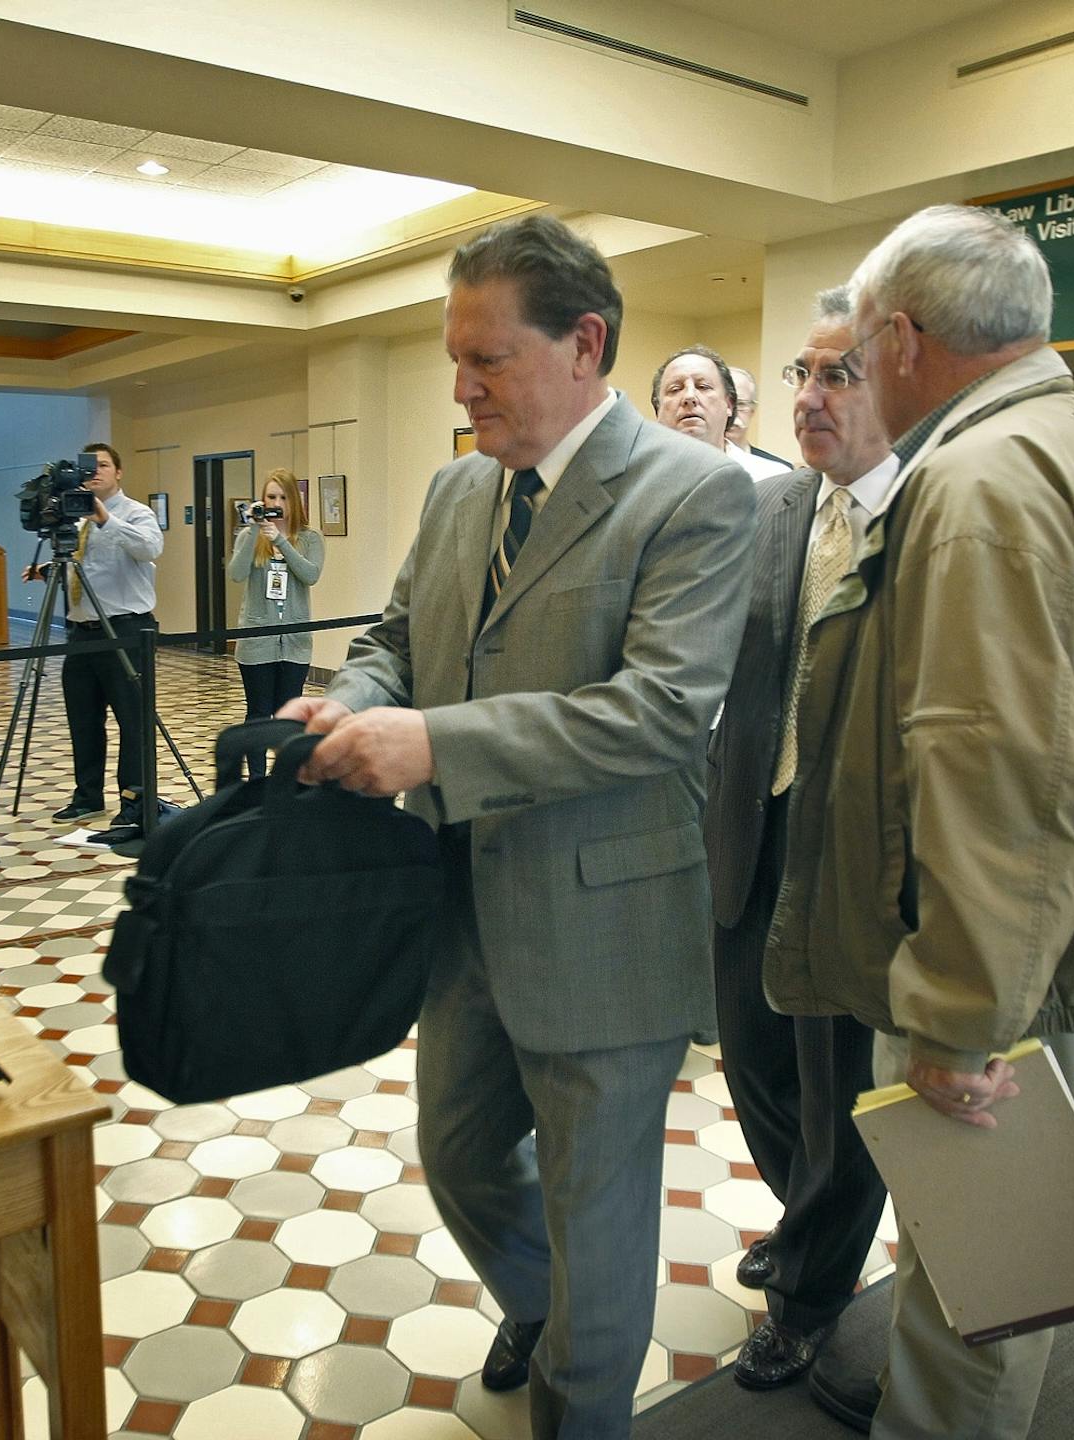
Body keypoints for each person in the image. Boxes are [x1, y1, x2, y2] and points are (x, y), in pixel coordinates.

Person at [284, 213, 756, 1439]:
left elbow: (657, 715)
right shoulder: (457, 491)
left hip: (605, 924)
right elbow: (398, 638)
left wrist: (434, 744)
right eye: (458, 356)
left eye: (487, 357)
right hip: (464, 913)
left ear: (585, 342)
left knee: (602, 1222)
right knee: (461, 1157)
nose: (461, 384)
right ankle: (553, 1318)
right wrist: (357, 700)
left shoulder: (695, 496)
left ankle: (581, 1403)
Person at [760, 205, 1074, 1438]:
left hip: (996, 978)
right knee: (984, 1280)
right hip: (1045, 952)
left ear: (900, 337)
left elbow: (995, 772)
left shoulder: (975, 480)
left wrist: (961, 1015)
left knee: (977, 1300)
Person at [700, 285, 892, 1393]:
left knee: (841, 1087)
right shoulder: (775, 509)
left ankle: (812, 1293)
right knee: (755, 1054)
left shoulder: (921, 519)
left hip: (849, 856)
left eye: (838, 375)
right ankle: (805, 1214)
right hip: (752, 826)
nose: (812, 398)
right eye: (801, 376)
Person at [27, 442, 163, 827]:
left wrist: (105, 517)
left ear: (118, 472)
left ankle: (134, 803)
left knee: (132, 721)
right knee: (83, 720)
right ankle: (87, 796)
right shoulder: (74, 517)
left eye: (103, 465)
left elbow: (150, 548)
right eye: (90, 466)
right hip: (81, 631)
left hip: (127, 629)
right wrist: (44, 572)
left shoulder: (136, 513)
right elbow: (84, 566)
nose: (96, 472)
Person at [228, 467, 324, 776]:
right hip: (257, 640)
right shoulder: (249, 536)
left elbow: (310, 575)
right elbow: (237, 573)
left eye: (283, 497)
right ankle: (256, 781)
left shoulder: (309, 538)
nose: (277, 502)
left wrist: (282, 542)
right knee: (258, 713)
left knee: (289, 714)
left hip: (294, 642)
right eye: (271, 496)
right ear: (262, 500)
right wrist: (256, 531)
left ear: (294, 500)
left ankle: (285, 777)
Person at [650, 344, 738, 454]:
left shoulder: (762, 471)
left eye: (703, 387)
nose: (689, 396)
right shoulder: (638, 471)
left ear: (729, 405)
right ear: (658, 409)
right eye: (675, 389)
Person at [724, 367, 796, 482]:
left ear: (753, 410)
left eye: (741, 404)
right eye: (725, 404)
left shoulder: (778, 472)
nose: (731, 413)